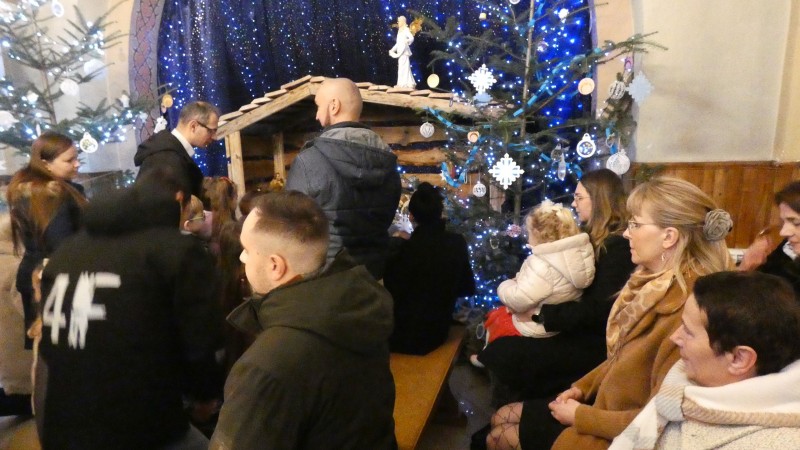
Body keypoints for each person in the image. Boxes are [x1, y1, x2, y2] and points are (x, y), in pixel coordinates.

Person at [487, 177, 733, 450]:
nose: (626, 233)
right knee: (501, 417)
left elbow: (660, 419)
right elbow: (621, 358)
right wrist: (582, 387)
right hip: (607, 405)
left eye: (635, 224)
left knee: (499, 436)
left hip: (623, 434)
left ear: (669, 237)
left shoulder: (689, 310)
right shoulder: (649, 283)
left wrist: (581, 416)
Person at [36, 169, 221, 449]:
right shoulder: (173, 250)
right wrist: (205, 394)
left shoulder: (65, 254)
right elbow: (199, 337)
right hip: (141, 424)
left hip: (62, 421)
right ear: (178, 200)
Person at [210, 191, 397, 449]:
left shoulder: (266, 366)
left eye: (247, 250)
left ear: (275, 265)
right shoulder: (357, 307)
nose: (241, 258)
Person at [476, 169, 635, 404]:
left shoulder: (617, 247)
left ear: (599, 200)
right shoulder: (588, 236)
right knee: (501, 328)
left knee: (506, 351)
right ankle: (510, 411)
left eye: (579, 197)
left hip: (591, 340)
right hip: (570, 324)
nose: (574, 203)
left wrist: (541, 315)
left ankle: (514, 414)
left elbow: (599, 311)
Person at [610, 271, 800, 449]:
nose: (674, 338)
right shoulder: (681, 389)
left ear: (738, 359)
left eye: (688, 331)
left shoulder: (778, 443)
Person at [285, 78, 401, 279]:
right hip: (374, 278)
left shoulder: (308, 161)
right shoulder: (387, 161)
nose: (317, 115)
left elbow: (292, 227)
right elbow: (388, 216)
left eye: (319, 106)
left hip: (327, 280)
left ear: (334, 106)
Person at [472, 200, 595, 369]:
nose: (527, 237)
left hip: (536, 326)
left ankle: (486, 358)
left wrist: (505, 285)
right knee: (499, 314)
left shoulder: (542, 264)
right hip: (555, 319)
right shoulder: (574, 255)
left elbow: (519, 299)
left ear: (538, 234)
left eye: (529, 232)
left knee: (498, 321)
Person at [6, 132, 86, 349]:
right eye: (69, 160)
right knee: (63, 351)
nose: (77, 164)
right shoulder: (52, 195)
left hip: (38, 275)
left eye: (76, 157)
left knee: (48, 352)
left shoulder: (31, 191)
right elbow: (61, 243)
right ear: (46, 164)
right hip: (52, 279)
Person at [384, 182, 475, 355]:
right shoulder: (457, 243)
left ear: (411, 216)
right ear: (440, 212)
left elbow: (390, 293)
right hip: (437, 332)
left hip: (400, 336)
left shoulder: (402, 249)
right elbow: (467, 287)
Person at [134, 101, 220, 198]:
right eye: (211, 131)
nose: (215, 137)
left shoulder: (170, 153)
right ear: (193, 126)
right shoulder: (168, 160)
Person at [739, 180, 800, 295]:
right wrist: (746, 266)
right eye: (784, 222)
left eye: (796, 223)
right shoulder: (788, 249)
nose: (783, 232)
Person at [389, 15, 416, 89]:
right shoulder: (399, 31)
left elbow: (411, 38)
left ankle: (404, 84)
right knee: (401, 68)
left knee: (404, 68)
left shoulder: (406, 30)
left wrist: (407, 41)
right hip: (400, 52)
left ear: (403, 22)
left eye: (399, 21)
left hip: (404, 52)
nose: (398, 22)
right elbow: (398, 43)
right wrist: (392, 50)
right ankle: (403, 83)